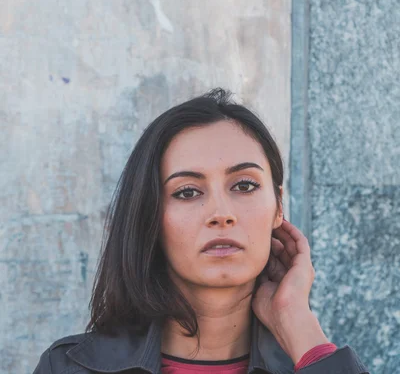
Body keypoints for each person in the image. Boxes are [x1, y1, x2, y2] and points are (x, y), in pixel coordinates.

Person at [33, 88, 369, 374]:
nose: (221, 214)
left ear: (278, 206)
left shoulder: (314, 360)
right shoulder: (68, 367)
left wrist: (297, 321)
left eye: (245, 185)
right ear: (150, 214)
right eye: (187, 192)